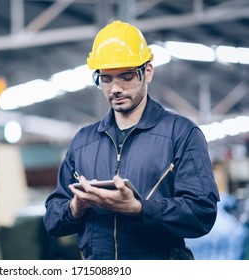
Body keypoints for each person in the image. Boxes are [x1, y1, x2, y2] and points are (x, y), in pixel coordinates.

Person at [43, 20, 220, 260]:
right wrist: (76, 207)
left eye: (126, 77)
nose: (115, 88)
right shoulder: (83, 142)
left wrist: (139, 208)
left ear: (148, 71)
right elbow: (53, 221)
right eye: (106, 79)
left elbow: (202, 213)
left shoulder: (181, 134)